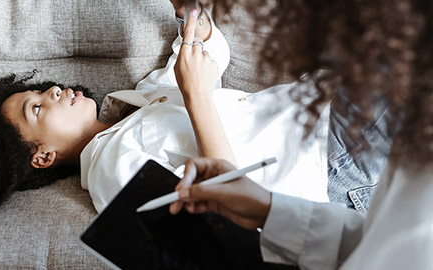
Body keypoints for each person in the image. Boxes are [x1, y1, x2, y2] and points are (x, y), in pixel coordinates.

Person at [0, 1, 330, 216]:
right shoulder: (111, 176)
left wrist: (191, 20)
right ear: (43, 156)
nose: (51, 90)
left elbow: (211, 58)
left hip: (316, 101)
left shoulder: (132, 103)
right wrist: (196, 96)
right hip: (324, 159)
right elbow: (226, 211)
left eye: (39, 90)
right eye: (35, 108)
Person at [170, 0, 433, 269]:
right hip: (320, 159)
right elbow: (374, 245)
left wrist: (198, 94)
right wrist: (267, 209)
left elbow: (205, 60)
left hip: (310, 124)